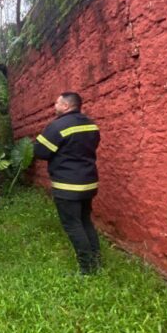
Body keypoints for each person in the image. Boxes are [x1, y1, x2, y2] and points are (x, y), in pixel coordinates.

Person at [34, 92, 102, 275]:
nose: (54, 106)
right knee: (85, 220)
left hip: (68, 186)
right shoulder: (91, 124)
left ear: (66, 106)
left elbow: (40, 151)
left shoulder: (58, 126)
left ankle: (87, 268)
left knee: (73, 224)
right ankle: (97, 260)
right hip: (89, 182)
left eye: (57, 103)